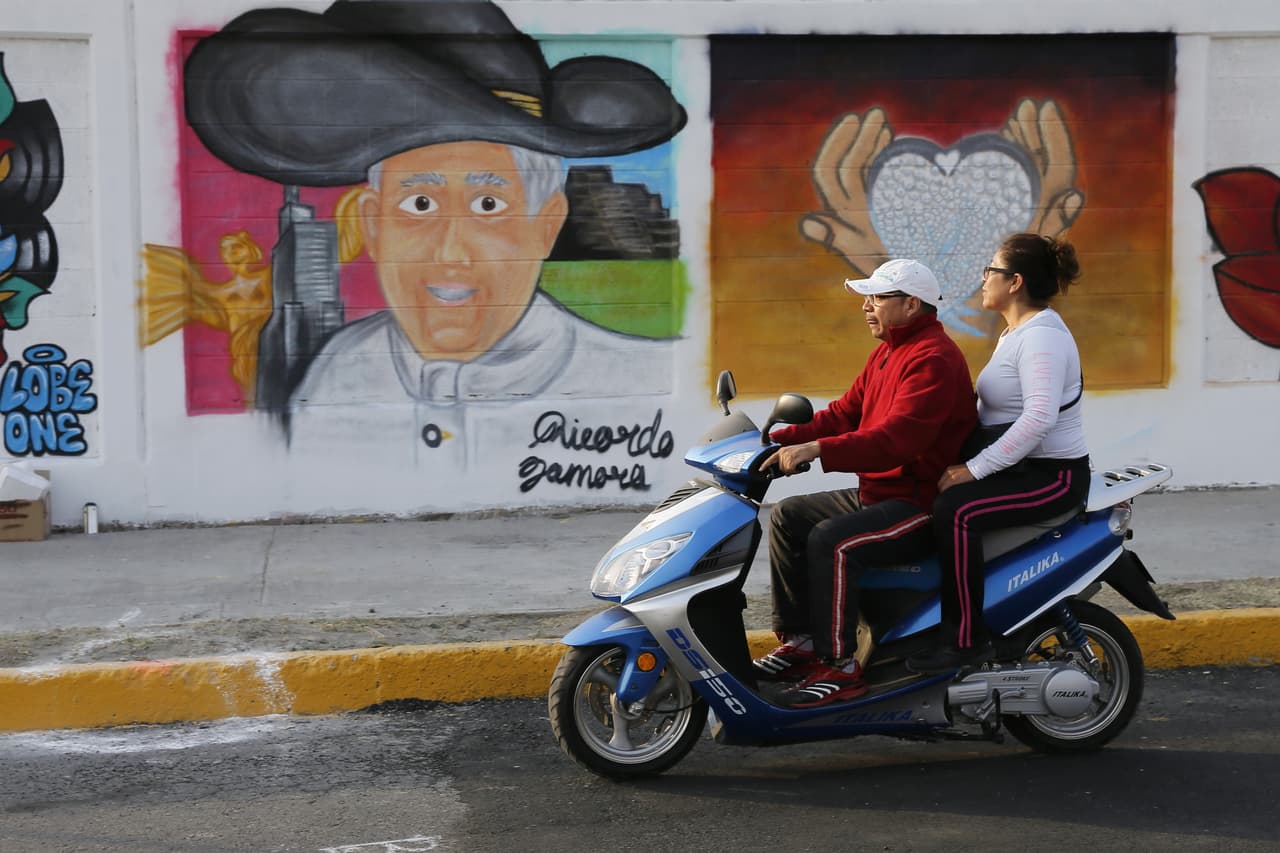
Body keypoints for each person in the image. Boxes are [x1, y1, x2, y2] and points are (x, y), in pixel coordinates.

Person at [181, 0, 687, 460]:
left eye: (488, 204)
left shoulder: (633, 372)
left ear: (545, 226)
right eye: (419, 204)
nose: (451, 252)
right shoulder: (333, 376)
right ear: (373, 226)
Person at [755, 259, 977, 708]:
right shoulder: (888, 352)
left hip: (915, 504)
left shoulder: (933, 359)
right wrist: (775, 438)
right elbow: (844, 413)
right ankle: (800, 641)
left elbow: (896, 440)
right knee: (787, 517)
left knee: (832, 543)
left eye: (877, 298)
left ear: (911, 304)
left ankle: (840, 668)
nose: (866, 307)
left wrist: (818, 451)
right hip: (876, 493)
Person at [906, 233, 1091, 674]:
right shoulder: (1017, 333)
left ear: (1015, 282)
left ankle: (965, 641)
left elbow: (1039, 418)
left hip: (1053, 477)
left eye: (991, 270)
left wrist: (975, 469)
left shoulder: (1042, 337)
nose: (983, 278)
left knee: (958, 510)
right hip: (1024, 467)